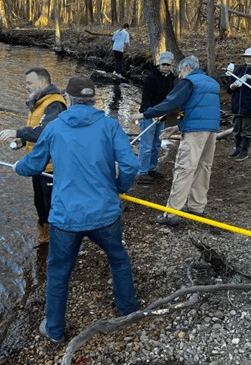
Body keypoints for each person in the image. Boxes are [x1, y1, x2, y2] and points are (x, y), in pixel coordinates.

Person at [13, 77, 139, 343]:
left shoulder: (55, 128)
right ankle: (128, 310)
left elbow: (34, 165)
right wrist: (118, 188)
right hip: (105, 214)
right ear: (93, 100)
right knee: (118, 259)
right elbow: (130, 166)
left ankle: (55, 330)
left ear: (68, 100)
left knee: (59, 272)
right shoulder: (109, 125)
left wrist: (17, 167)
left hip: (66, 218)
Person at [133, 56, 220, 226]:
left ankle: (172, 213)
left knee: (184, 168)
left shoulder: (189, 82)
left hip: (195, 133)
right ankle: (196, 206)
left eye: (180, 71)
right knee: (204, 167)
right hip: (212, 130)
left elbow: (170, 103)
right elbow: (199, 110)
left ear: (187, 67)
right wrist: (177, 128)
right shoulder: (212, 83)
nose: (179, 75)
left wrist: (145, 114)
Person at [0, 68, 67, 245]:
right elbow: (37, 130)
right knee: (39, 203)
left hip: (52, 167)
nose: (26, 86)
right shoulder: (38, 102)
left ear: (42, 83)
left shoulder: (55, 104)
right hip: (38, 164)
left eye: (29, 82)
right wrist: (22, 140)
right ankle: (44, 237)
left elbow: (46, 130)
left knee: (50, 205)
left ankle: (57, 240)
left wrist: (17, 132)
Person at [135, 51, 177, 185]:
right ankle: (142, 172)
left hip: (162, 116)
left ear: (171, 66)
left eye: (167, 65)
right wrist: (150, 113)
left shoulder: (171, 78)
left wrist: (165, 113)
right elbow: (146, 98)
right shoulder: (151, 77)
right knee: (146, 145)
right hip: (149, 115)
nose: (165, 67)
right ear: (159, 64)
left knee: (157, 144)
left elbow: (169, 98)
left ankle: (151, 168)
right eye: (163, 64)